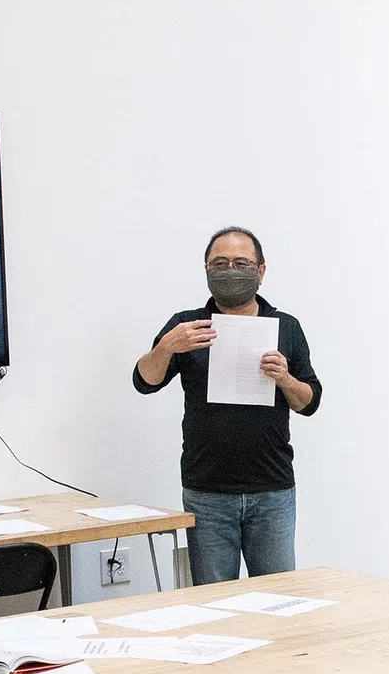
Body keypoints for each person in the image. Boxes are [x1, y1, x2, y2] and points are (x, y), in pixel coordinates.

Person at [131, 226, 323, 584]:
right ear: (206, 270)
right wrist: (166, 347)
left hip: (272, 491)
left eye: (240, 263)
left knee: (279, 600)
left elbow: (310, 401)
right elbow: (144, 381)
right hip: (207, 492)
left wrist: (285, 379)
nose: (230, 271)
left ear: (260, 272)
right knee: (213, 604)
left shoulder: (285, 327)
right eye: (219, 263)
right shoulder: (187, 326)